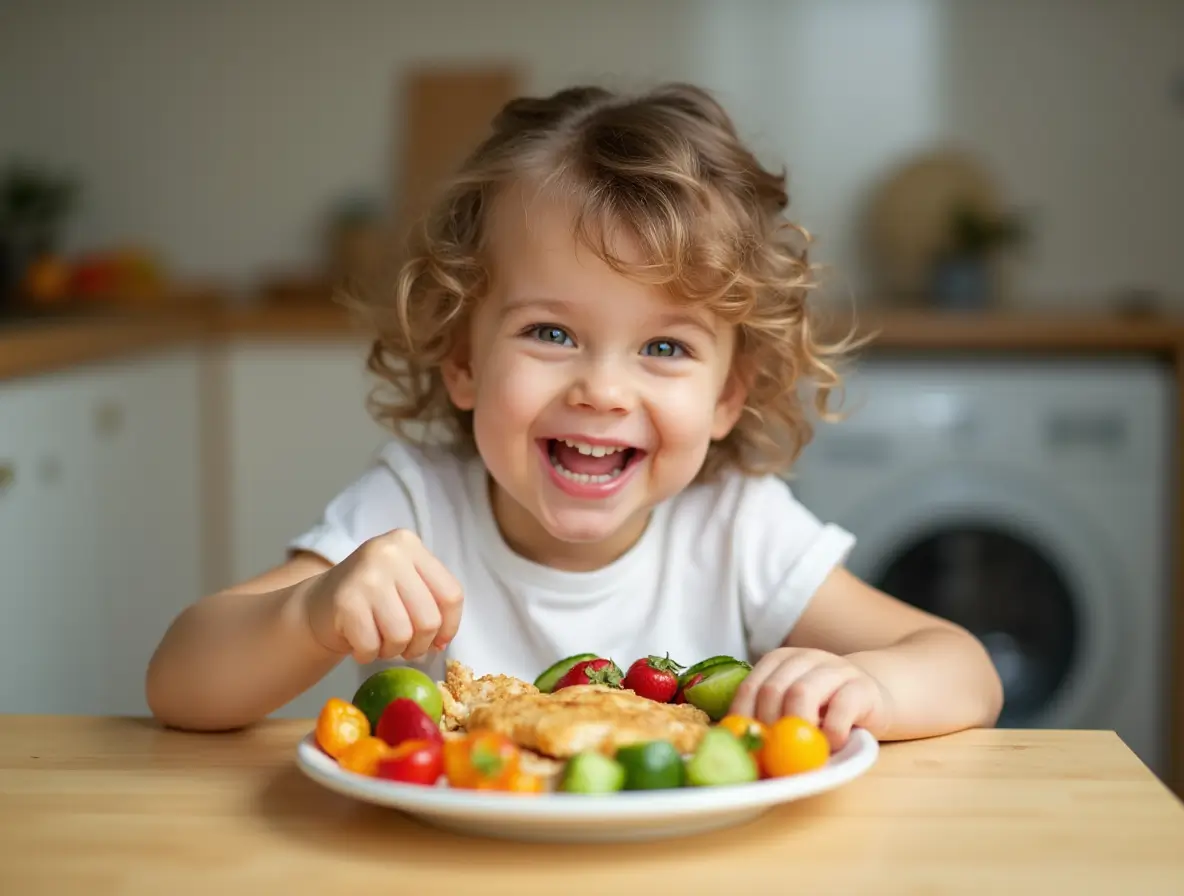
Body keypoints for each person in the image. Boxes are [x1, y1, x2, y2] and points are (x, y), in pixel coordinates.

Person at [146, 82, 1003, 749]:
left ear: (728, 394)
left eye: (664, 348)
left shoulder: (735, 526)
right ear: (463, 358)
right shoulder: (413, 509)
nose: (603, 390)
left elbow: (966, 669)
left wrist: (869, 690)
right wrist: (310, 612)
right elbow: (180, 681)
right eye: (551, 332)